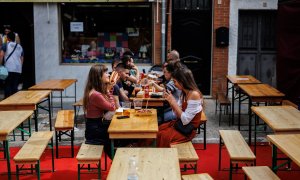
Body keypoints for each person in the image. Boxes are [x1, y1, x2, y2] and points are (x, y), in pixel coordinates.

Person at [157, 67, 203, 147]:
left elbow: (185, 120)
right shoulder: (184, 92)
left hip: (187, 131)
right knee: (158, 129)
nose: (174, 84)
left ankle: (164, 157)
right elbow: (177, 113)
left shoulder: (194, 94)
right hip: (180, 125)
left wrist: (173, 102)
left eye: (175, 81)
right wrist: (170, 101)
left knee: (163, 135)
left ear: (182, 81)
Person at [82, 64, 117, 158]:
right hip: (95, 131)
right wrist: (108, 92)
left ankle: (118, 158)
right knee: (118, 136)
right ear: (98, 76)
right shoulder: (96, 94)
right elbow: (112, 107)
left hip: (96, 127)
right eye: (105, 72)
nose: (108, 74)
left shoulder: (94, 91)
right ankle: (118, 160)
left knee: (118, 133)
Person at [3, 32, 24, 98]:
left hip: (8, 68)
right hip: (17, 69)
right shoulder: (20, 46)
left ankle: (6, 102)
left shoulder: (5, 45)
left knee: (7, 85)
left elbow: (1, 55)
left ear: (7, 38)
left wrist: (0, 65)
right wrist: (20, 67)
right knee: (14, 86)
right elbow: (22, 58)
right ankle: (14, 101)